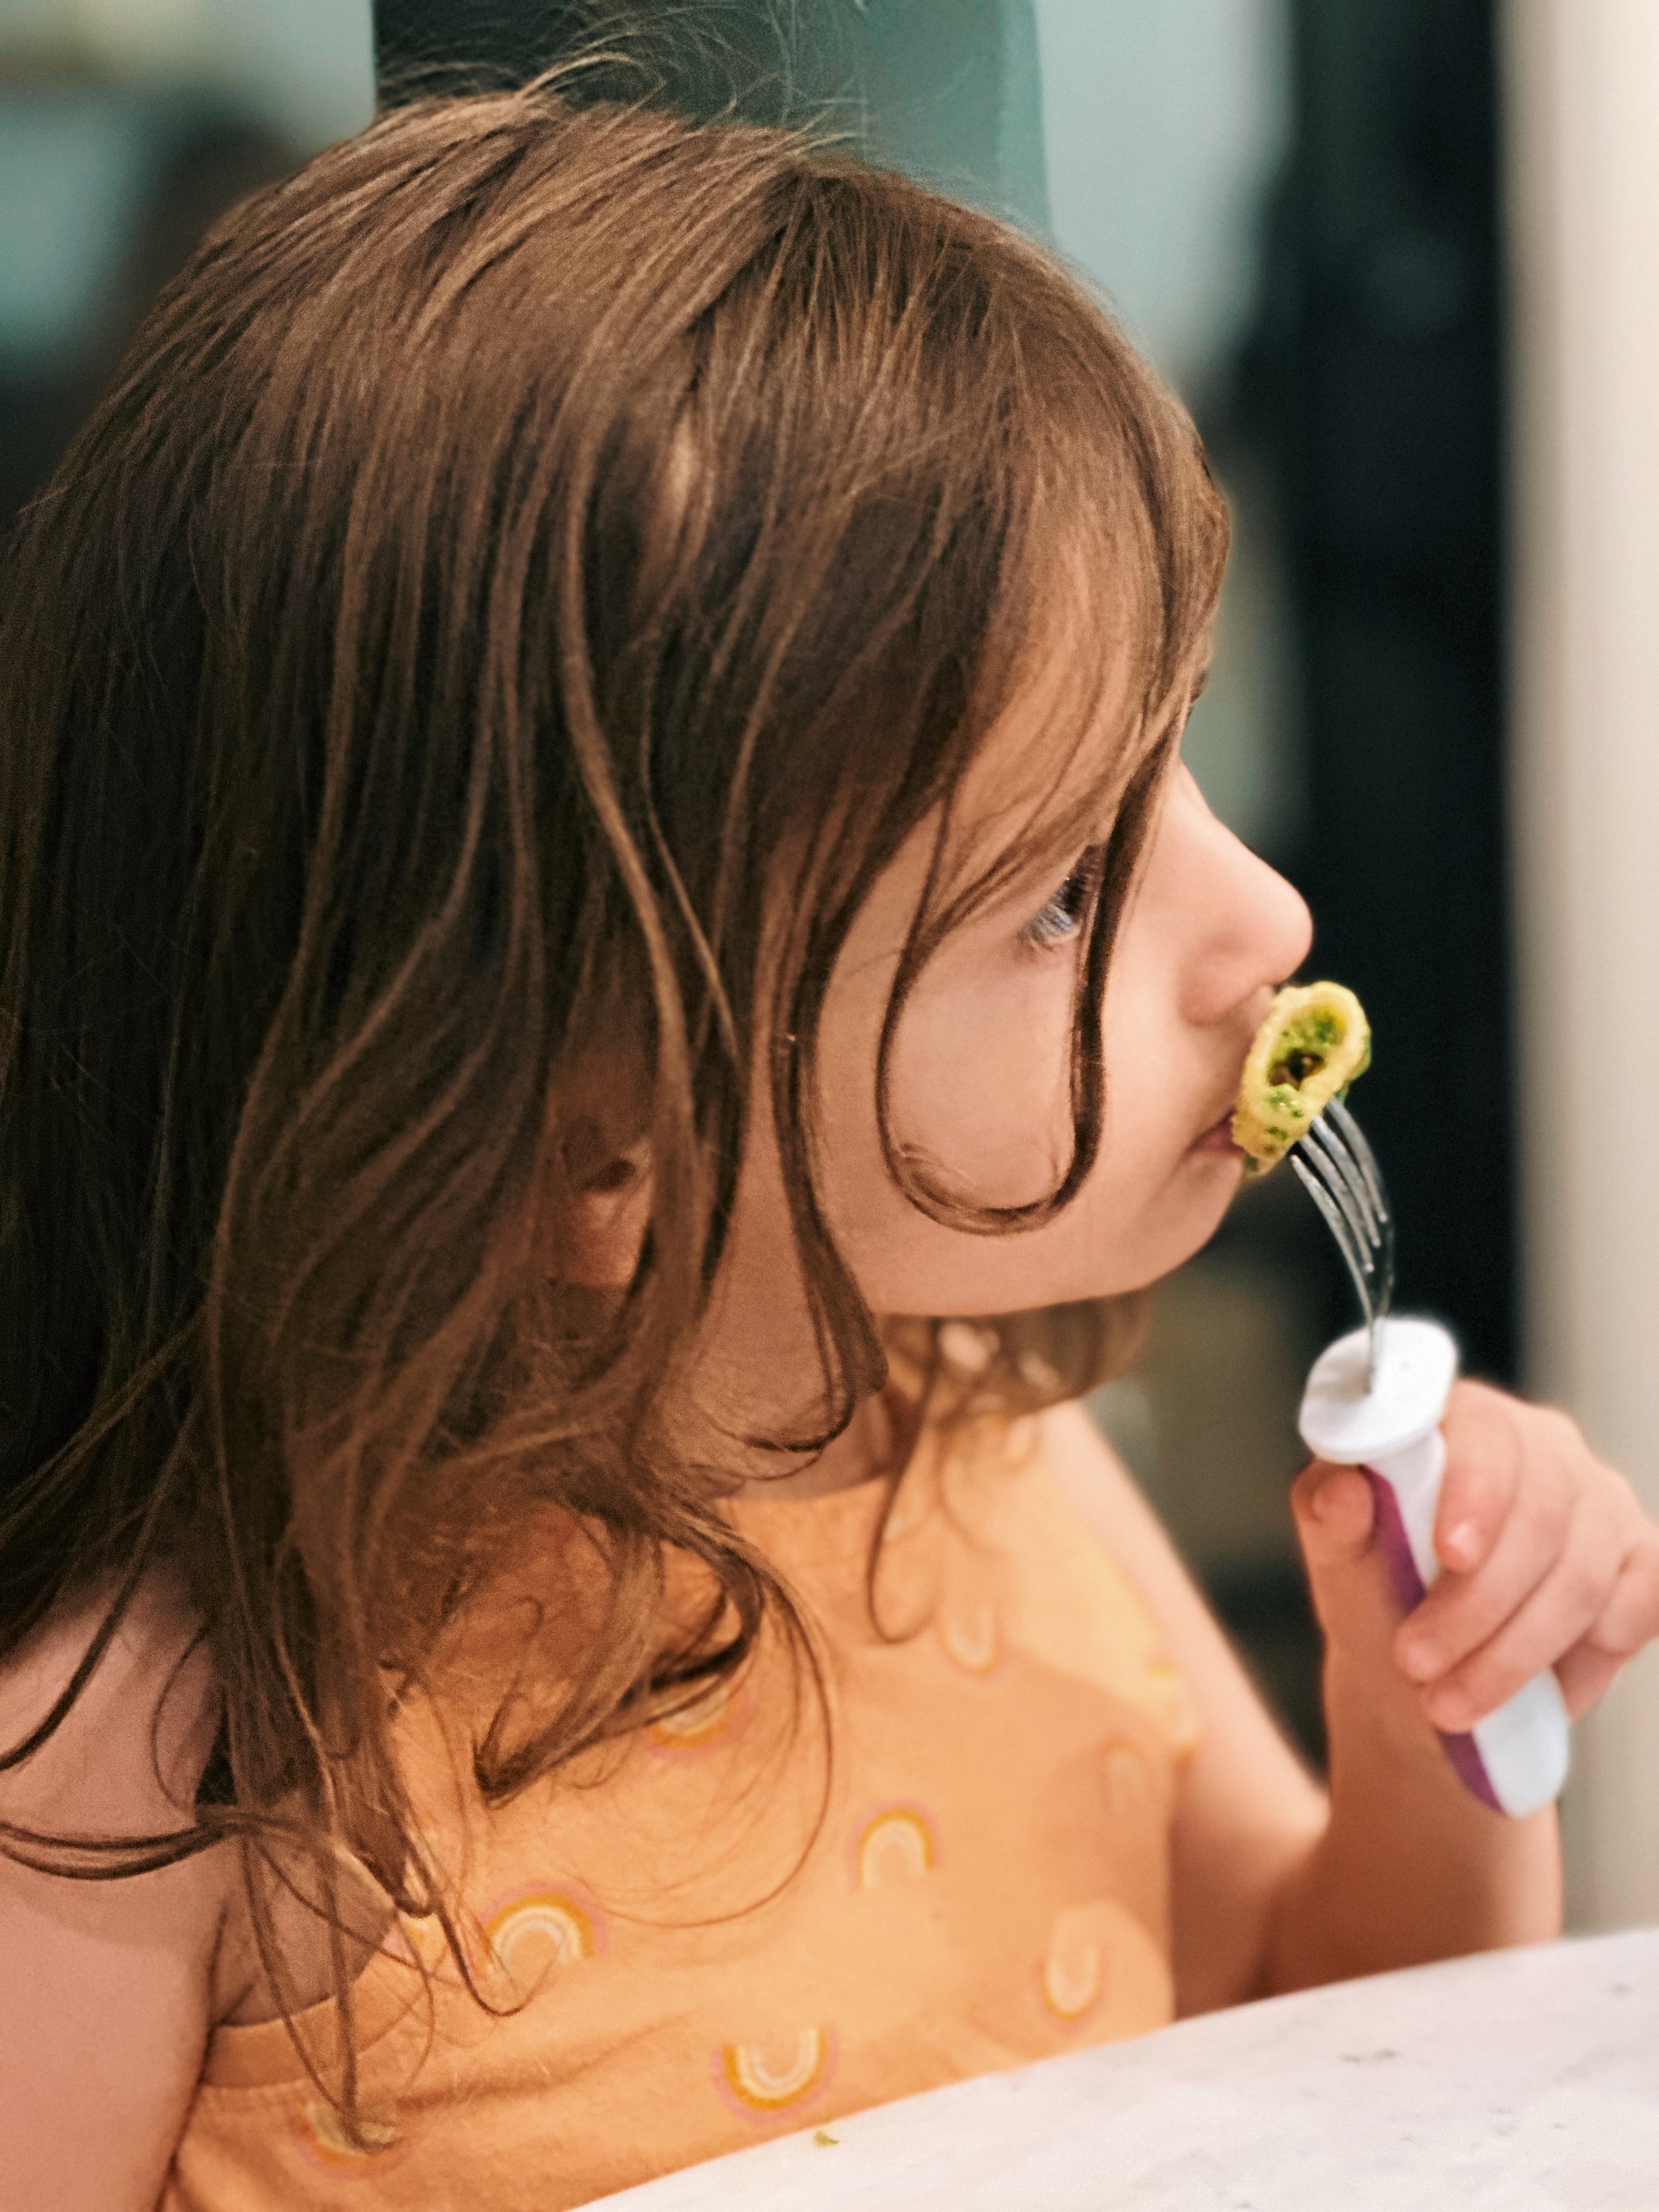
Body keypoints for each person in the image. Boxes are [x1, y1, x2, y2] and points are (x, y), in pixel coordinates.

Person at [2, 79, 1656, 2212]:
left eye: (1174, 760)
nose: (1262, 920)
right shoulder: (164, 1745)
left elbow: (1325, 2046)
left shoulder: (986, 1450)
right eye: (1060, 889)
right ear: (592, 1149)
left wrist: (1431, 1723)